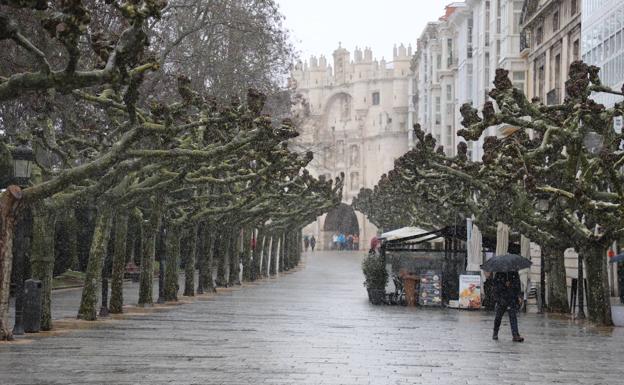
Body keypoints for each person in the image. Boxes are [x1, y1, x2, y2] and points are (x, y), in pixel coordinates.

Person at [492, 271, 524, 342]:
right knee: (498, 317)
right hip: (502, 299)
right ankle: (495, 332)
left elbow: (517, 286)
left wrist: (518, 295)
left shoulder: (514, 273)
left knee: (513, 317)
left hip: (511, 298)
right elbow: (495, 287)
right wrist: (504, 285)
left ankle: (515, 335)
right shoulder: (498, 274)